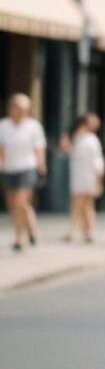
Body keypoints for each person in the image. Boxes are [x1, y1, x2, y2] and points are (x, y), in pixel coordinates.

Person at [0, 93, 46, 251]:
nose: (18, 111)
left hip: (27, 167)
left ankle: (19, 238)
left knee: (20, 203)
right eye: (15, 108)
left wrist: (41, 165)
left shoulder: (33, 126)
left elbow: (39, 148)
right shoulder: (4, 125)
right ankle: (32, 230)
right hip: (8, 168)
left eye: (22, 109)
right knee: (14, 205)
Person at [63, 113, 105, 243]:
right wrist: (66, 147)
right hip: (78, 176)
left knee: (80, 205)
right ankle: (87, 232)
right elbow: (73, 154)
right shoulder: (77, 138)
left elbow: (97, 162)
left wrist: (98, 181)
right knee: (86, 206)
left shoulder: (92, 140)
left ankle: (74, 232)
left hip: (88, 177)